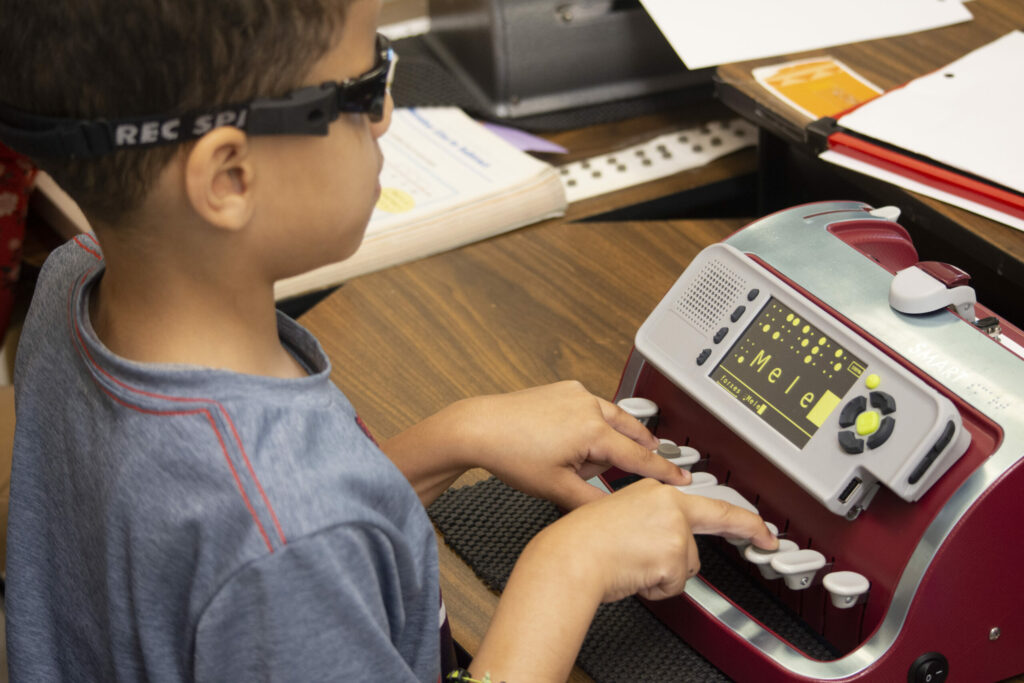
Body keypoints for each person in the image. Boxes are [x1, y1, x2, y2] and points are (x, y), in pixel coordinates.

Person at [0, 0, 777, 680]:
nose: (389, 115)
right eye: (365, 88)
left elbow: (233, 567)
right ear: (229, 177)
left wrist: (453, 436)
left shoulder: (75, 282)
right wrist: (565, 570)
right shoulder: (285, 534)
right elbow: (281, 547)